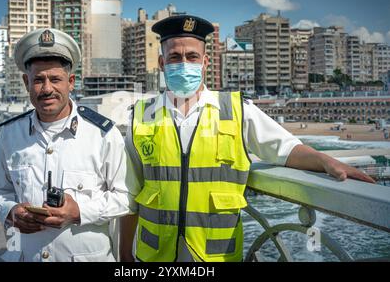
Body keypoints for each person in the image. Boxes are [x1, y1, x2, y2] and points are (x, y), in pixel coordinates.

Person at [119, 15, 375, 262]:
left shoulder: (238, 110)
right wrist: (124, 252)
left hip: (217, 255)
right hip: (154, 254)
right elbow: (130, 192)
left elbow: (285, 149)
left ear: (205, 62)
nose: (184, 63)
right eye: (175, 57)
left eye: (192, 56)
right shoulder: (141, 117)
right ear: (162, 64)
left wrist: (324, 160)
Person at [0, 28, 134, 262]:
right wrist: (10, 211)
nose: (46, 89)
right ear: (26, 82)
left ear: (70, 82)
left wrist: (79, 212)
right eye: (38, 80)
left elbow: (126, 197)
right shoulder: (10, 135)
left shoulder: (103, 135)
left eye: (55, 79)